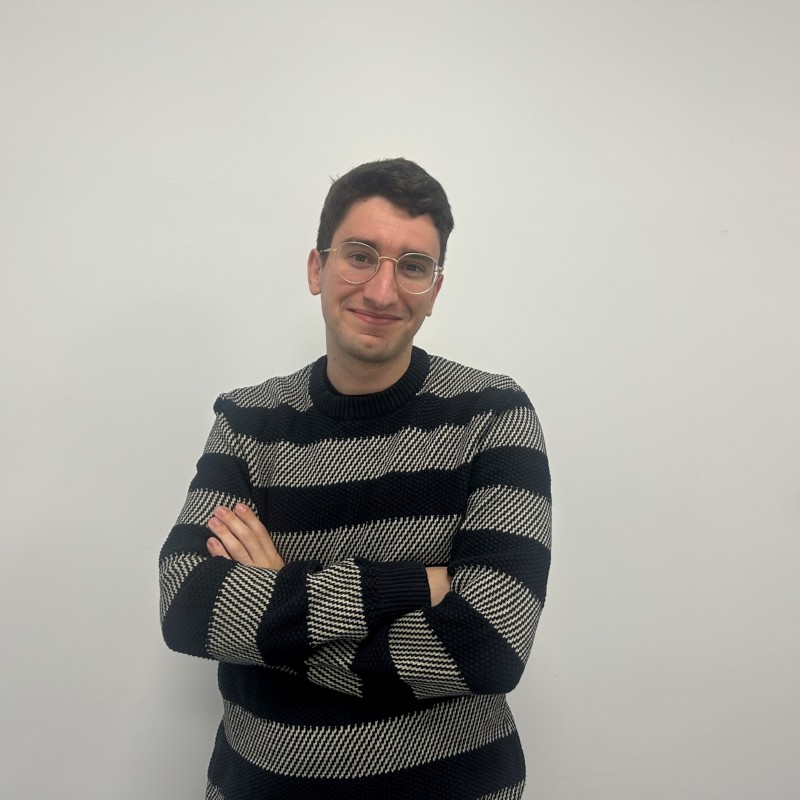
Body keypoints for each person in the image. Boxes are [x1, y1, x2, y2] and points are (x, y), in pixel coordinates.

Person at [159, 158, 552, 799]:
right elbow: (186, 606)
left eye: (413, 267)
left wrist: (274, 609)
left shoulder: (493, 415)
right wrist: (413, 584)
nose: (382, 291)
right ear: (317, 268)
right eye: (361, 256)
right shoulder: (247, 421)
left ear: (435, 290)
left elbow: (489, 647)